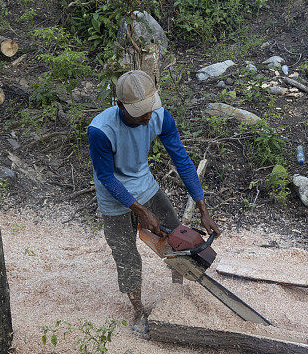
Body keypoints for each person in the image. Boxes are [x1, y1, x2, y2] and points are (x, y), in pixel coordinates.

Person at [87, 70, 220, 334]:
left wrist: (202, 206)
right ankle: (138, 311)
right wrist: (139, 210)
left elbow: (181, 159)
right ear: (120, 105)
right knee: (126, 257)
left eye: (149, 110)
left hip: (146, 187)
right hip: (114, 199)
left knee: (178, 240)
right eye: (140, 113)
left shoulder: (159, 116)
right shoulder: (101, 130)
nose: (147, 117)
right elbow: (105, 177)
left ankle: (177, 294)